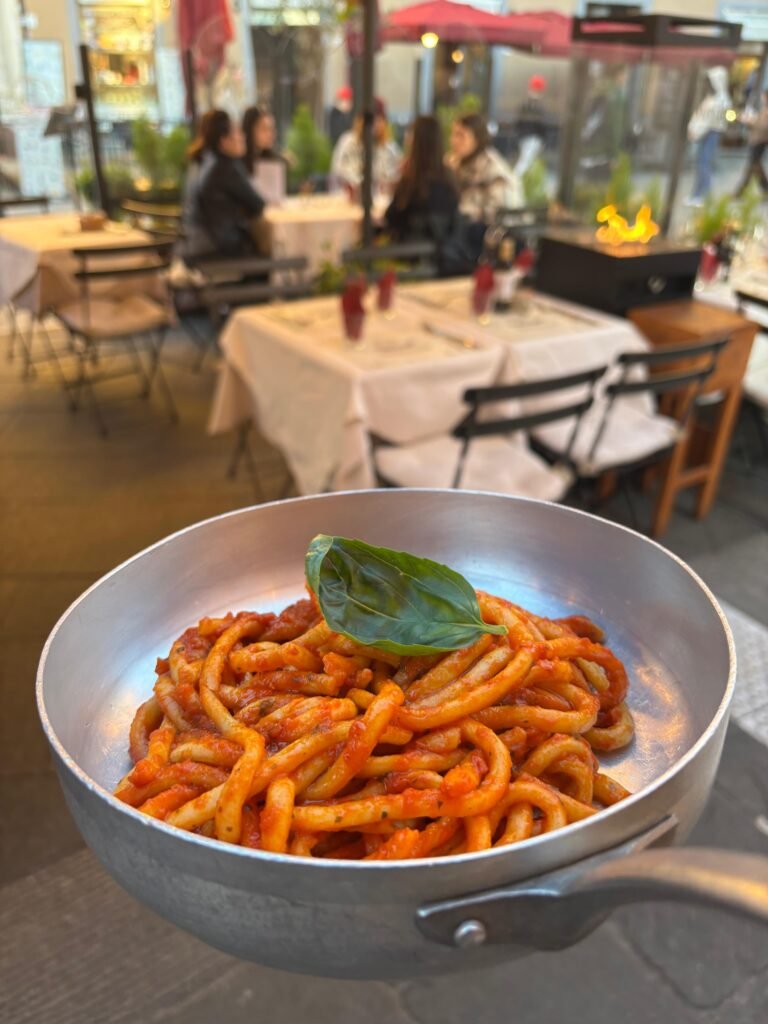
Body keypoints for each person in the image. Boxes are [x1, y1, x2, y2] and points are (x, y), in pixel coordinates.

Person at [181, 109, 266, 263]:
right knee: (269, 255)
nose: (243, 136)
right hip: (215, 245)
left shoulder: (202, 161)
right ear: (224, 141)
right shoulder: (226, 166)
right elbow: (258, 204)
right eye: (237, 132)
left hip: (195, 241)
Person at [447, 113, 523, 224]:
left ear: (477, 138)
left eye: (461, 135)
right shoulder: (452, 162)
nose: (454, 141)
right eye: (453, 134)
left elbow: (499, 213)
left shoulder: (493, 169)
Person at [330, 98, 402, 197]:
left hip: (381, 200)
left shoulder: (390, 148)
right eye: (370, 120)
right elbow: (337, 173)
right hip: (346, 199)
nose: (374, 124)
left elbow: (396, 177)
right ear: (359, 121)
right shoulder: (347, 142)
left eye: (379, 119)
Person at [688, 66, 732, 205]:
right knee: (700, 163)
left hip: (711, 133)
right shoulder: (713, 97)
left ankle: (703, 196)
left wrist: (695, 130)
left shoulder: (721, 100)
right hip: (704, 133)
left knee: (704, 163)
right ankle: (696, 194)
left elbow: (709, 120)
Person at [734, 89, 768, 197]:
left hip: (760, 140)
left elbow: (763, 126)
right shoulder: (764, 109)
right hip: (757, 139)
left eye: (764, 96)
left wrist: (749, 121)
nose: (762, 98)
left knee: (753, 165)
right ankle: (763, 189)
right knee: (754, 165)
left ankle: (740, 192)